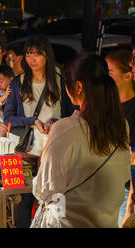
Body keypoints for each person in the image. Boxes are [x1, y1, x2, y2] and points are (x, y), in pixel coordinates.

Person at [33, 53, 131, 227]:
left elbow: (45, 190)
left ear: (78, 87)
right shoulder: (121, 125)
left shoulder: (66, 128)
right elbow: (123, 175)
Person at [3, 35, 74, 228]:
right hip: (24, 150)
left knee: (53, 201)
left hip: (53, 151)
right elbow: (8, 118)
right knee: (23, 201)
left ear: (47, 56)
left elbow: (71, 116)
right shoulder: (18, 82)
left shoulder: (60, 81)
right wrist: (32, 120)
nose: (31, 59)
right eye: (28, 54)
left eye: (37, 54)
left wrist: (56, 123)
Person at [105, 49, 135, 227]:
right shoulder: (106, 105)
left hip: (126, 187)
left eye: (109, 72)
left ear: (128, 76)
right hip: (107, 183)